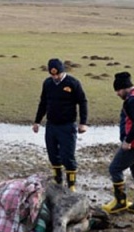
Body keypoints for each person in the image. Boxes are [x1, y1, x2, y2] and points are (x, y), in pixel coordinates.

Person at [102, 72, 134, 215]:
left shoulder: (133, 100)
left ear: (124, 88)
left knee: (115, 168)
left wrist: (127, 141)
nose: (117, 94)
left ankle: (120, 202)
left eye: (118, 90)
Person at [33, 58, 88, 192]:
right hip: (51, 125)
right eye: (53, 75)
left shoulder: (73, 83)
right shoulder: (47, 83)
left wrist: (83, 123)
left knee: (67, 156)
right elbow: (43, 103)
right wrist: (37, 121)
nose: (55, 77)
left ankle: (71, 185)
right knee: (53, 154)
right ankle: (58, 180)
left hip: (67, 125)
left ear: (63, 72)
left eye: (58, 74)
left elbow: (83, 102)